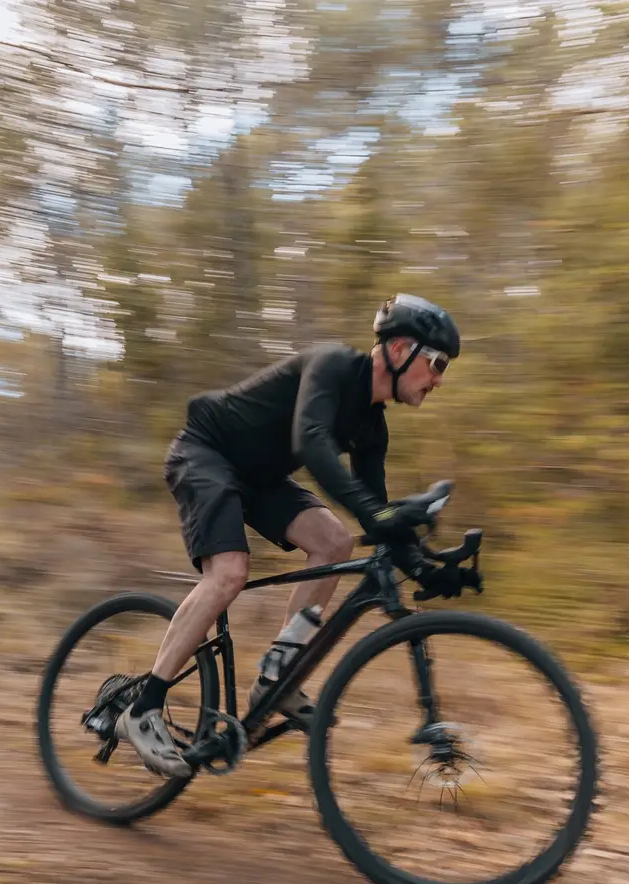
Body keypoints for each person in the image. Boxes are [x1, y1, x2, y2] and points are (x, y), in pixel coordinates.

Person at [118, 293, 462, 779]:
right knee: (230, 572)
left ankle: (276, 677)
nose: (439, 379)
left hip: (258, 479)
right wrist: (379, 514)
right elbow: (311, 442)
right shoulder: (333, 365)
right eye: (436, 363)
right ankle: (143, 709)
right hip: (206, 452)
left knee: (336, 543)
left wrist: (426, 563)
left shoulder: (372, 429)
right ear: (402, 348)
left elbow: (376, 519)